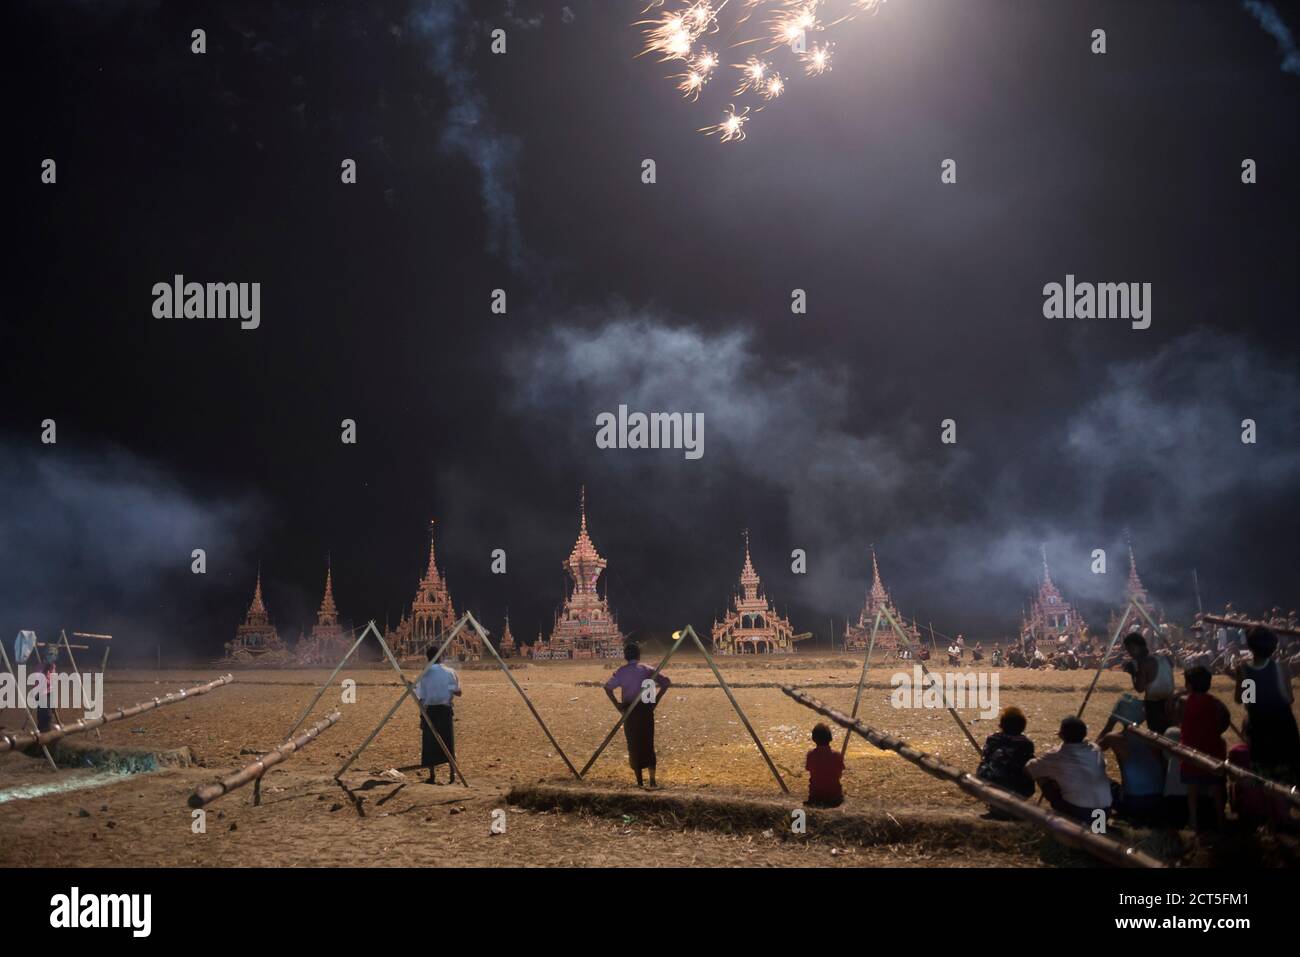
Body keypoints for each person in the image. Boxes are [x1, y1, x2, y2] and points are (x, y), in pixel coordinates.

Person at [1233, 626, 1300, 783]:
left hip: (1259, 727)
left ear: (1250, 647)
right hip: (1284, 726)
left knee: (1264, 778)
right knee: (1287, 778)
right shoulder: (1281, 668)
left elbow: (1247, 700)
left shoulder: (1244, 670)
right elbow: (1289, 699)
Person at [604, 642, 671, 788]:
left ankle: (639, 782)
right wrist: (656, 701)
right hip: (646, 710)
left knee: (634, 745)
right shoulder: (647, 669)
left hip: (629, 712)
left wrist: (617, 705)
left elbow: (607, 687)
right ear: (639, 655)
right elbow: (666, 682)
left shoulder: (621, 672)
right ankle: (652, 781)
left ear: (625, 656)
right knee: (648, 743)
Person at [1025, 716, 1113, 823]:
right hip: (1105, 812)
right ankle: (1097, 828)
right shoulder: (1096, 750)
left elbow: (1029, 768)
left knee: (1042, 776)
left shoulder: (1056, 756)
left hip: (1080, 813)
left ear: (1061, 735)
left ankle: (1065, 818)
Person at [1098, 696, 1166, 826]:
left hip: (1134, 804)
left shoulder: (1114, 738)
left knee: (1098, 782)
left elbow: (1093, 751)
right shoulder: (1154, 737)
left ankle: (1099, 825)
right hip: (1158, 802)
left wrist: (1110, 724)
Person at [1179, 666, 1228, 832]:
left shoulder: (1184, 702)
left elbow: (1176, 719)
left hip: (1191, 752)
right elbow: (1225, 720)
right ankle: (1221, 819)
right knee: (1216, 787)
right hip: (1213, 750)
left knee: (1192, 788)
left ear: (1189, 685)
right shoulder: (1216, 703)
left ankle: (1193, 820)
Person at [413, 646, 461, 785]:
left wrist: (421, 716)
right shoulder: (450, 672)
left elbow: (421, 697)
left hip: (430, 711)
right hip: (445, 710)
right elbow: (458, 692)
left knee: (430, 743)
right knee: (448, 741)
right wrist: (446, 688)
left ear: (428, 657)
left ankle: (432, 775)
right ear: (441, 657)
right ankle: (452, 773)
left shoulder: (425, 673)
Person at [976, 706, 1035, 817]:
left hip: (991, 788)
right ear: (1023, 727)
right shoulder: (1026, 743)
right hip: (1019, 790)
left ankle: (995, 806)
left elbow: (985, 759)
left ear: (1001, 725)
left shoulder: (993, 739)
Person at [1122, 633, 1174, 733]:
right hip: (1171, 702)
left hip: (1155, 705)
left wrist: (1133, 673)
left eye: (1129, 650)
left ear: (1135, 647)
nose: (1129, 653)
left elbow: (1140, 688)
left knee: (1157, 736)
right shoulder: (1163, 657)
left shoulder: (1144, 663)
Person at [804, 723, 845, 808]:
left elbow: (809, 769)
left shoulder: (810, 755)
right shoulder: (837, 755)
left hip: (815, 796)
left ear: (814, 739)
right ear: (830, 738)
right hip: (834, 797)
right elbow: (839, 775)